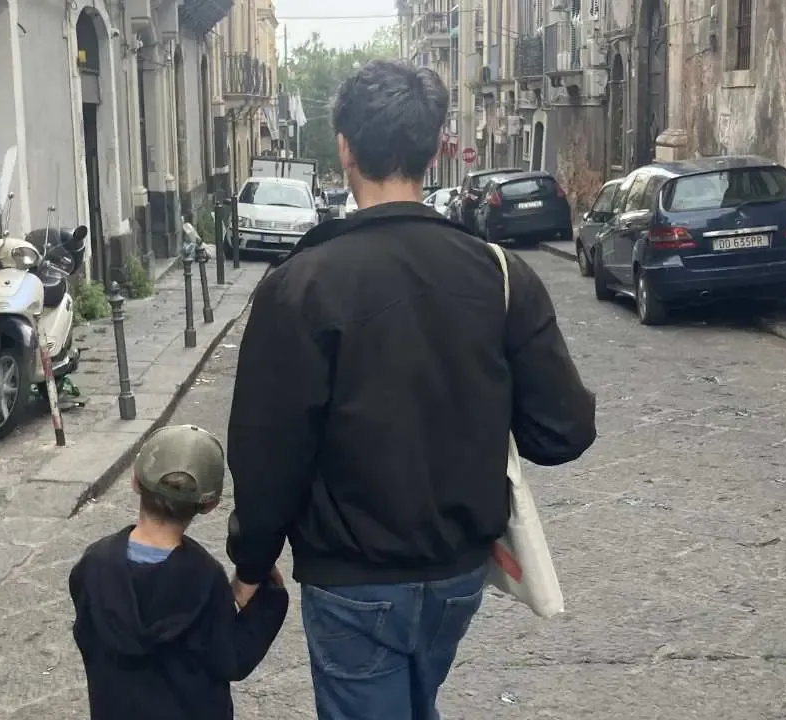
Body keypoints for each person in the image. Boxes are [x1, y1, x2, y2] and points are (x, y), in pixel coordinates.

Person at [224, 60, 597, 719]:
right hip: (458, 575)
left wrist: (252, 562)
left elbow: (267, 450)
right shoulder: (501, 274)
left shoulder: (301, 285)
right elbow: (563, 431)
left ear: (345, 148)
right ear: (433, 148)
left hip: (352, 579)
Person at [68, 424, 289, 720]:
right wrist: (270, 601)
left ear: (135, 481)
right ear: (210, 504)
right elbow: (230, 658)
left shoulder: (94, 564)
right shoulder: (205, 578)